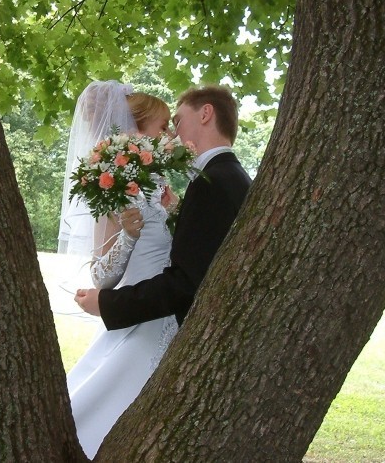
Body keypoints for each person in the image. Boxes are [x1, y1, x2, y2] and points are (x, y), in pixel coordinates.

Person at [59, 80, 178, 459]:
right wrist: (128, 235)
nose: (170, 134)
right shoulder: (114, 189)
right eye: (163, 126)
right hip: (138, 311)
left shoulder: (159, 185)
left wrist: (173, 212)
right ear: (136, 132)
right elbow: (100, 276)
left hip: (167, 305)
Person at [74, 85, 252, 329]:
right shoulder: (227, 176)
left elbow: (188, 280)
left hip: (161, 316)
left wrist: (109, 305)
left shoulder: (212, 182)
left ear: (205, 114)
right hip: (154, 319)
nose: (172, 135)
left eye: (176, 122)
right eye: (166, 126)